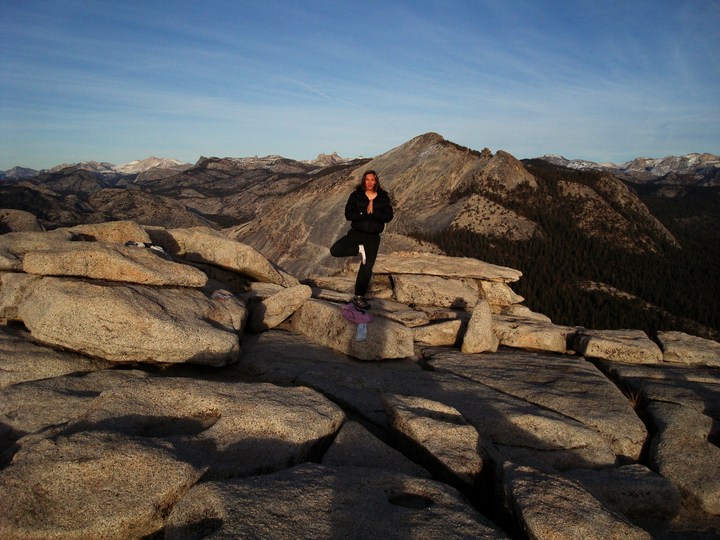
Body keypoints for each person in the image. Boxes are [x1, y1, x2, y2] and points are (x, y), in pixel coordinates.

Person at [330, 170, 394, 311]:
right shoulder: (356, 195)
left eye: (373, 180)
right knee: (335, 250)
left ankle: (359, 297)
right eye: (367, 179)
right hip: (357, 233)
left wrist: (374, 212)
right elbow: (348, 214)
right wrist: (364, 211)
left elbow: (389, 216)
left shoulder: (383, 197)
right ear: (363, 181)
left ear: (376, 181)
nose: (370, 182)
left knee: (366, 268)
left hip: (373, 237)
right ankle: (359, 250)